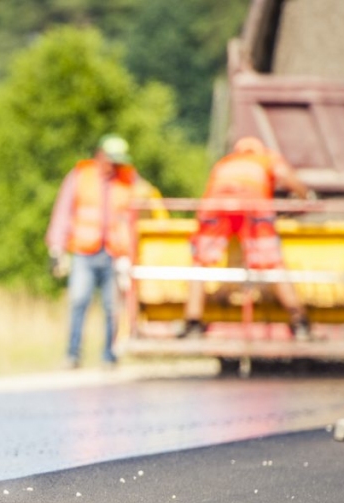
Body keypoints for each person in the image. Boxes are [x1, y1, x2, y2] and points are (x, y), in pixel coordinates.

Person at [46, 134, 160, 369]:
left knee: (112, 307)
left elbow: (150, 201)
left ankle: (109, 355)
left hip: (115, 253)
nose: (116, 165)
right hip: (84, 251)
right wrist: (57, 248)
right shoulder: (80, 176)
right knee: (78, 301)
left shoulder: (128, 178)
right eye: (113, 160)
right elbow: (63, 211)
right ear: (100, 155)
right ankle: (72, 355)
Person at [180, 136, 312, 340]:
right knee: (271, 263)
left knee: (201, 262)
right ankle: (299, 321)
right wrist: (306, 197)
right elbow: (285, 176)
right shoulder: (266, 158)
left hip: (215, 206)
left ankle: (192, 322)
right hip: (253, 205)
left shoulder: (226, 162)